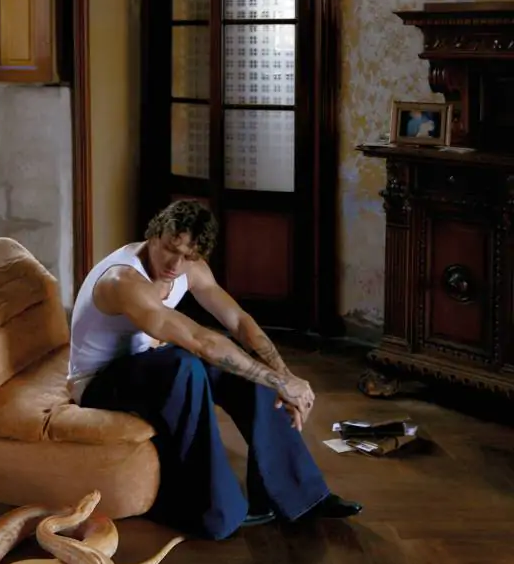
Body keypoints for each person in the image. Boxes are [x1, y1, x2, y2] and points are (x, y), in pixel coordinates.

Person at [68, 199, 362, 540]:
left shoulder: (189, 267)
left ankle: (299, 496)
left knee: (243, 366)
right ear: (154, 235)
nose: (175, 265)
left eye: (188, 256)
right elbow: (198, 340)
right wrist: (279, 381)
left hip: (145, 367)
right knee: (187, 365)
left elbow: (238, 321)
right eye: (170, 249)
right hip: (98, 384)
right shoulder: (123, 279)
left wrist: (285, 376)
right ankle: (210, 512)